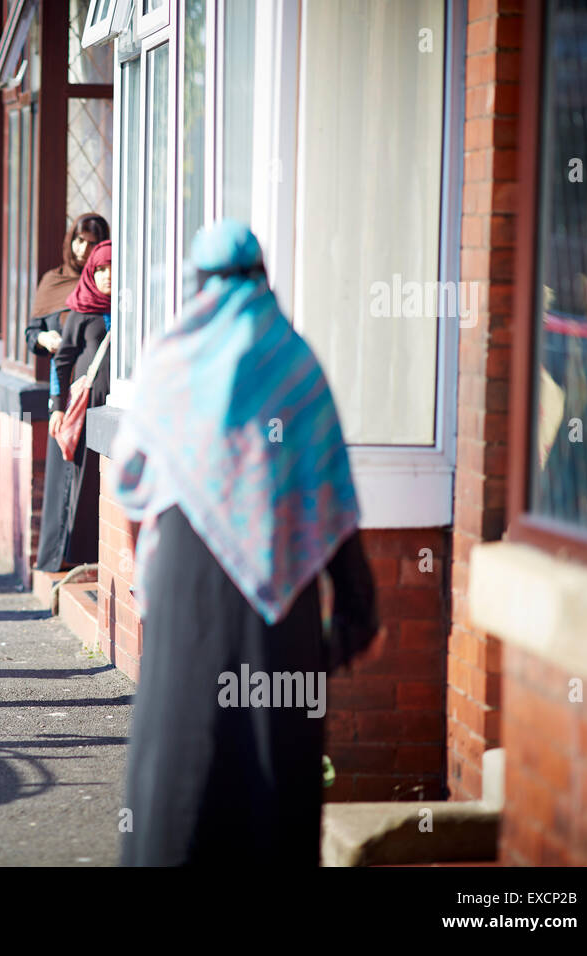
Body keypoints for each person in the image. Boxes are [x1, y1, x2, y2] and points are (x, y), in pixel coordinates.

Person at [110, 221, 381, 866]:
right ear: (263, 278)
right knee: (273, 741)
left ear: (198, 282)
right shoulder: (295, 362)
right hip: (278, 589)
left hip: (185, 574)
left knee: (182, 732)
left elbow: (129, 475)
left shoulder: (170, 358)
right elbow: (332, 498)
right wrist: (356, 605)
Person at [27, 213, 109, 572]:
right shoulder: (54, 282)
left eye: (92, 243)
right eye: (78, 240)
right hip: (65, 394)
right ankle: (54, 558)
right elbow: (34, 333)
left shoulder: (108, 282)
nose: (83, 248)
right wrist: (43, 338)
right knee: (62, 473)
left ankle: (79, 556)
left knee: (84, 479)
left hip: (92, 393)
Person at [45, 239, 112, 569]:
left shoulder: (133, 308)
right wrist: (57, 405)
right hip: (87, 410)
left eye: (113, 268)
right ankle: (81, 558)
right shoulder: (82, 310)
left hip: (116, 407)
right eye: (100, 269)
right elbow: (62, 360)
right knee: (84, 483)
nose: (107, 275)